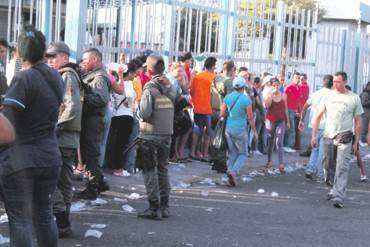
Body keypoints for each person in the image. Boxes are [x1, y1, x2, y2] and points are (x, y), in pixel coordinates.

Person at [1, 25, 64, 246]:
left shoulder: (22, 79)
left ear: (18, 52)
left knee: (20, 220)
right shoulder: (56, 77)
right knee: (44, 215)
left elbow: (7, 127)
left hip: (21, 160)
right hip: (50, 156)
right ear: (44, 50)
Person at [46, 41, 83, 238]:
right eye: (48, 58)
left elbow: (72, 107)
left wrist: (55, 127)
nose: (50, 61)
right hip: (67, 137)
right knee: (63, 182)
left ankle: (62, 220)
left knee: (51, 181)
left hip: (62, 137)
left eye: (54, 57)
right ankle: (63, 223)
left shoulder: (67, 75)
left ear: (65, 58)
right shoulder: (63, 75)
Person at [312, 71, 363, 208]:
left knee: (342, 166)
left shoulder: (354, 98)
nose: (335, 84)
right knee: (328, 166)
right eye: (334, 81)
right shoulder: (328, 96)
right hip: (328, 135)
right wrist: (313, 135)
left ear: (345, 82)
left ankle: (338, 196)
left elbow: (358, 120)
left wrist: (356, 141)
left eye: (338, 82)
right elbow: (318, 116)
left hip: (345, 136)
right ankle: (332, 187)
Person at [137, 55, 177, 220]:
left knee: (149, 171)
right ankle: (165, 206)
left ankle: (154, 208)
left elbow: (144, 113)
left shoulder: (150, 88)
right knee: (162, 169)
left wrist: (136, 109)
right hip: (166, 134)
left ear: (149, 70)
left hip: (150, 135)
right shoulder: (170, 87)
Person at [76, 48, 110, 200]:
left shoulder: (99, 78)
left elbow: (101, 98)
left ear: (95, 60)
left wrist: (81, 99)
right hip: (89, 119)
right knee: (89, 152)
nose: (83, 62)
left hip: (93, 120)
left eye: (86, 59)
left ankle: (93, 187)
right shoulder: (91, 75)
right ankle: (100, 181)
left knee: (91, 154)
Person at [220, 76, 257, 186]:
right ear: (243, 87)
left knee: (233, 153)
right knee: (243, 154)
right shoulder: (246, 99)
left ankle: (230, 172)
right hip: (240, 129)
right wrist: (254, 131)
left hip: (228, 128)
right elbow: (250, 118)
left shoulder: (227, 97)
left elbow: (222, 114)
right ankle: (233, 172)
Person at [299, 74, 333, 180]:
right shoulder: (333, 95)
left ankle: (310, 169)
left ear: (323, 82)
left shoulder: (316, 93)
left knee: (315, 149)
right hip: (326, 126)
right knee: (322, 152)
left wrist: (301, 120)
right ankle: (320, 174)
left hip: (314, 126)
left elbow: (305, 106)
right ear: (333, 83)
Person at [106, 62, 136, 176]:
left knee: (114, 143)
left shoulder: (113, 83)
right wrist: (129, 103)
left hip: (114, 116)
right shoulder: (127, 84)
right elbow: (128, 95)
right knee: (121, 143)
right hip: (125, 116)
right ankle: (118, 169)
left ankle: (112, 166)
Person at [189, 56, 217, 161]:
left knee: (197, 131)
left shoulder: (198, 76)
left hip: (198, 107)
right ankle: (205, 154)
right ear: (213, 66)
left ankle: (193, 152)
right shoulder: (214, 78)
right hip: (209, 108)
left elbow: (191, 91)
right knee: (208, 132)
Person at [264, 77, 290, 173]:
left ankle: (281, 163)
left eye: (277, 85)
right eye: (274, 85)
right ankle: (269, 160)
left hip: (281, 120)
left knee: (279, 141)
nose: (276, 87)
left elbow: (286, 109)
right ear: (271, 86)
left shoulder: (284, 95)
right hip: (270, 121)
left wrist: (288, 121)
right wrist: (271, 95)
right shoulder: (268, 95)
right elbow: (267, 106)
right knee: (270, 141)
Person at [283, 72, 301, 153]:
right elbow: (284, 99)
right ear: (293, 78)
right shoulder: (288, 87)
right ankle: (285, 145)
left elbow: (298, 100)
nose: (298, 79)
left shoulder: (298, 87)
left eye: (299, 78)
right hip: (288, 109)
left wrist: (298, 111)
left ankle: (286, 145)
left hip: (293, 110)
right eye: (296, 78)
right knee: (290, 128)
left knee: (291, 128)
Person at [360, 81, 370, 146]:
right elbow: (363, 103)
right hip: (365, 112)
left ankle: (365, 139)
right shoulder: (365, 93)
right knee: (364, 126)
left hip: (367, 112)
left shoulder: (367, 93)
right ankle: (363, 140)